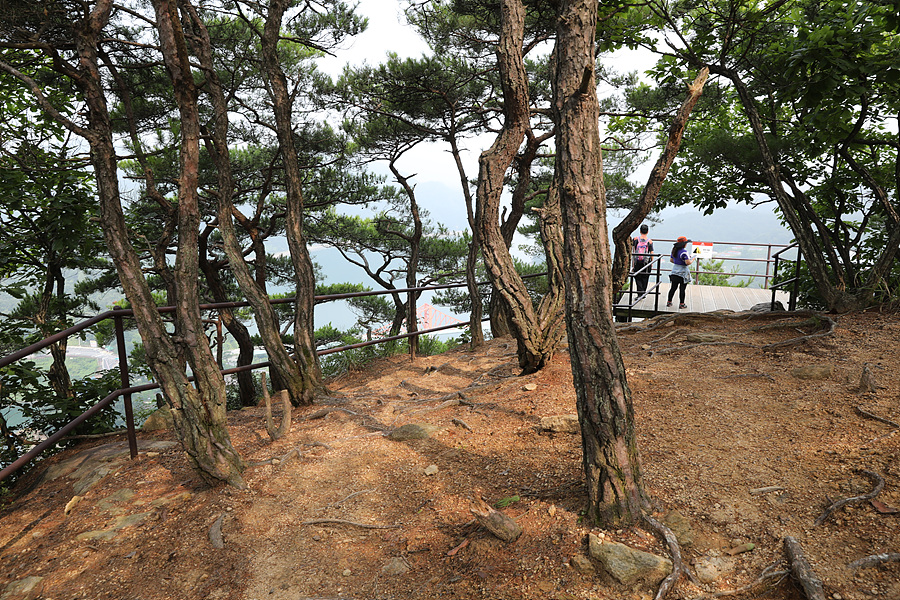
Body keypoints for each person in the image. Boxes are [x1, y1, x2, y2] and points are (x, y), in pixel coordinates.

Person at [667, 236, 693, 309]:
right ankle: (682, 304)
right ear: (684, 244)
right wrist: (692, 259)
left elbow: (671, 260)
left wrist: (678, 261)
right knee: (682, 289)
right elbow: (687, 262)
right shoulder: (684, 252)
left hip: (674, 272)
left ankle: (669, 302)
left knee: (673, 288)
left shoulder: (674, 251)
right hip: (683, 273)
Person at [631, 224, 654, 296]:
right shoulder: (649, 241)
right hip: (646, 262)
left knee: (637, 277)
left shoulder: (635, 239)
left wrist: (633, 263)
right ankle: (643, 292)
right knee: (645, 277)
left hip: (637, 261)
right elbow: (651, 252)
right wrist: (652, 262)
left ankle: (639, 293)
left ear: (640, 231)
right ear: (647, 232)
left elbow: (633, 250)